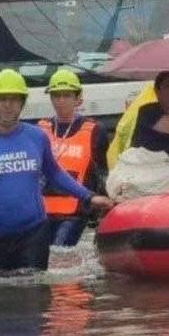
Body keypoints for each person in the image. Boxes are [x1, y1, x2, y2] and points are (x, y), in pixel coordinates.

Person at [0, 68, 113, 271]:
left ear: (22, 103)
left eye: (14, 100)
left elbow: (55, 173)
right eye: (2, 100)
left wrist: (89, 197)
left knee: (35, 293)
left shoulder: (36, 137)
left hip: (34, 233)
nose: (8, 106)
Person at [38, 68, 109, 247]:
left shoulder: (94, 130)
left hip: (75, 211)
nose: (60, 101)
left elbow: (102, 171)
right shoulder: (41, 129)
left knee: (59, 252)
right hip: (42, 210)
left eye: (66, 95)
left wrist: (102, 204)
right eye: (56, 95)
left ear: (78, 99)